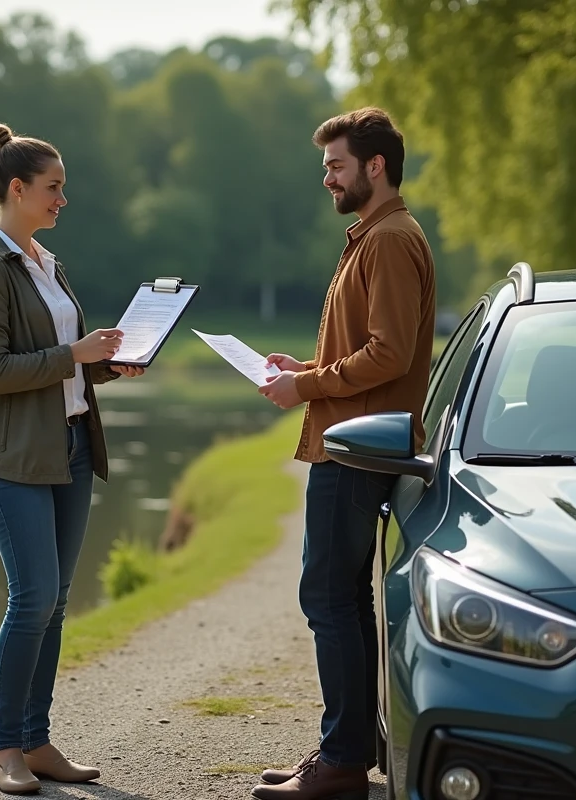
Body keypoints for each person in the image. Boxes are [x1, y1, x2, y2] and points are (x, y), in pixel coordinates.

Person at [0, 122, 144, 795]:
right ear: (17, 188)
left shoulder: (46, 261)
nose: (64, 198)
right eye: (53, 187)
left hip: (70, 450)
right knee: (31, 597)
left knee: (56, 601)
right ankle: (4, 750)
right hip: (11, 459)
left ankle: (37, 741)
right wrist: (76, 354)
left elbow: (68, 367)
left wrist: (110, 366)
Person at [253, 107, 437, 800]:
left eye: (335, 165)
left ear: (375, 166)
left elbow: (388, 355)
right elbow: (369, 347)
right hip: (353, 439)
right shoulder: (375, 236)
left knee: (328, 598)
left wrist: (305, 385)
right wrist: (304, 366)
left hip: (356, 448)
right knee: (345, 602)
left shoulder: (389, 240)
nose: (326, 178)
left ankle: (340, 766)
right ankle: (347, 751)